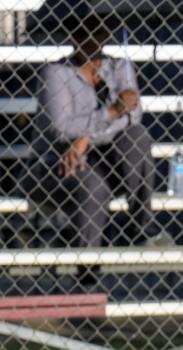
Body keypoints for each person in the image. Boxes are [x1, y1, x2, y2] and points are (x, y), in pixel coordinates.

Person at [28, 12, 169, 263]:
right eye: (81, 31)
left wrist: (87, 138)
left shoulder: (120, 67)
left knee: (137, 136)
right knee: (93, 184)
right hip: (59, 163)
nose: (89, 38)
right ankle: (87, 274)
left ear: (105, 34)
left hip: (107, 159)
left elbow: (133, 117)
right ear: (71, 35)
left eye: (96, 31)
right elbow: (61, 128)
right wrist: (112, 111)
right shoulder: (57, 73)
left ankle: (142, 226)